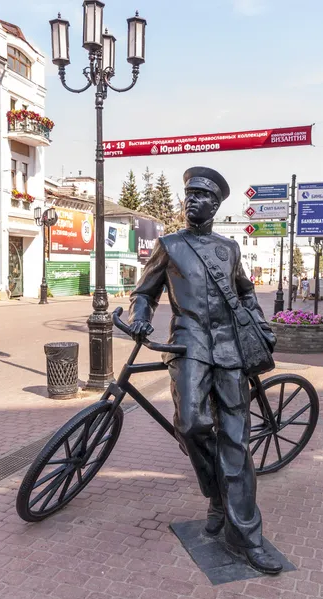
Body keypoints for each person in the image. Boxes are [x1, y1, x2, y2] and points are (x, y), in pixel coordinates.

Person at [128, 167, 282, 575]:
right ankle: (216, 494)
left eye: (200, 196)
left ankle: (248, 537)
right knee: (192, 424)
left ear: (215, 205)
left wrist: (260, 325)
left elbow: (245, 292)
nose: (191, 201)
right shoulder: (169, 245)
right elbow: (143, 293)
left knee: (236, 443)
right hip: (190, 345)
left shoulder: (228, 248)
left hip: (230, 350)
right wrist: (141, 317)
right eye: (188, 195)